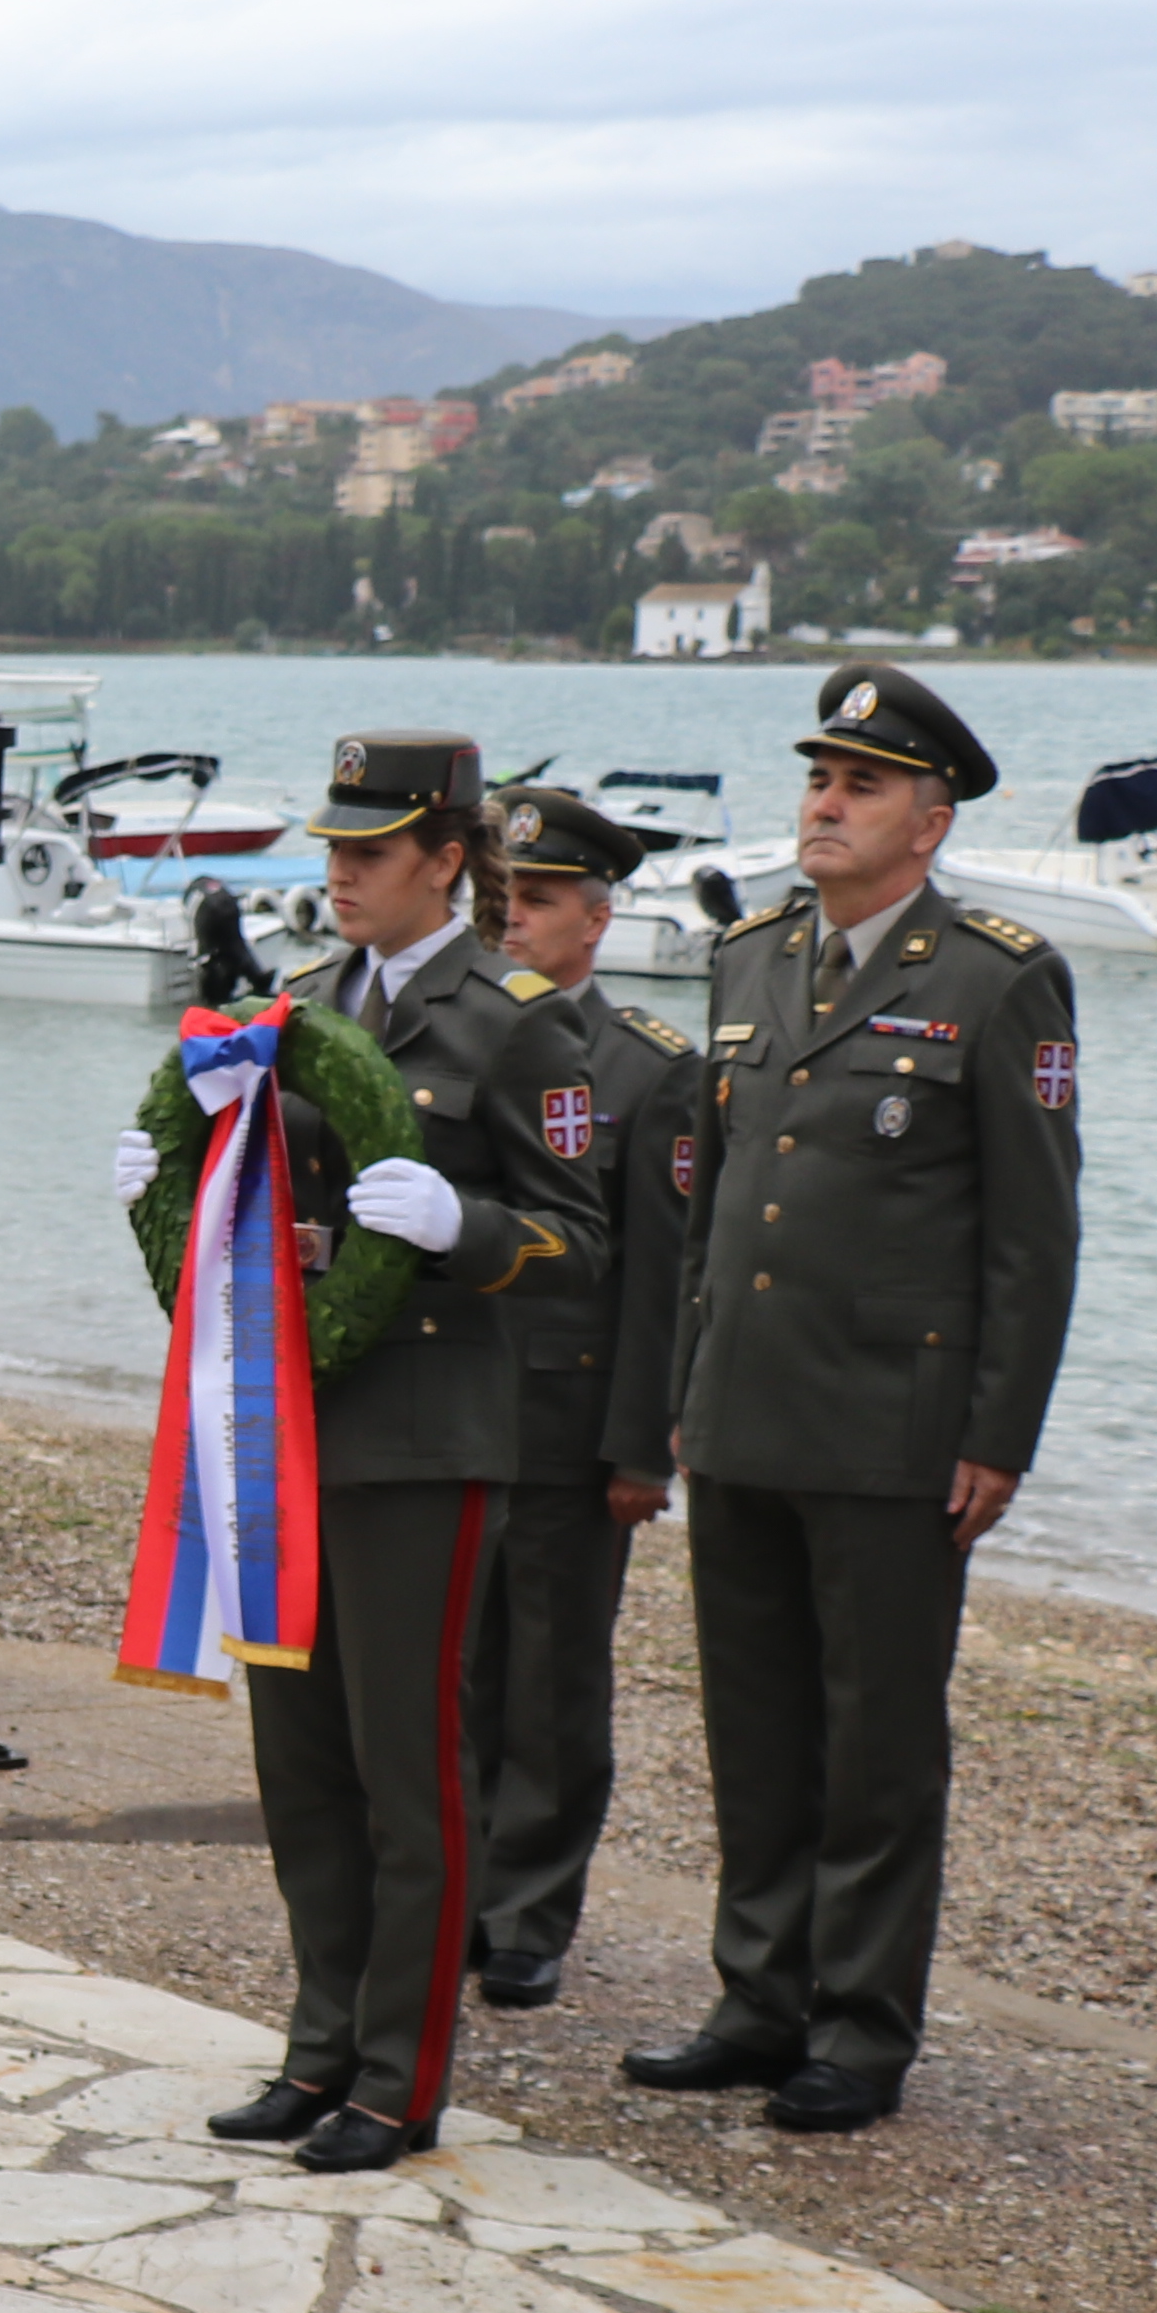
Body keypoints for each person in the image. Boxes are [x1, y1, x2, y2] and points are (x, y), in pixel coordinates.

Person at [110, 735, 602, 2170]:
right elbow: (261, 1204)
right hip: (285, 1430)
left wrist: (469, 1233)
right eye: (332, 847)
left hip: (428, 1440)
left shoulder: (513, 1019)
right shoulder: (303, 1006)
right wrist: (171, 1179)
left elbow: (588, 1243)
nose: (340, 873)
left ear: (447, 859)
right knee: (302, 1765)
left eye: (370, 851)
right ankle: (319, 2048)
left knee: (409, 1766)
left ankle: (401, 2075)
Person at [620, 661, 1080, 2137]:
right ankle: (760, 1998)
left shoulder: (997, 979)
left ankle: (863, 2027)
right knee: (756, 1728)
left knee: (876, 1744)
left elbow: (1033, 1234)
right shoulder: (751, 955)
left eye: (863, 786)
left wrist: (998, 1434)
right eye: (819, 779)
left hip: (895, 1425)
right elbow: (711, 1204)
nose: (825, 804)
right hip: (747, 1409)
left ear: (929, 822)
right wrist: (686, 1384)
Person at [472, 780, 714, 2008]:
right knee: (455, 1662)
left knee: (552, 1679)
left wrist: (640, 1449)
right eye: (505, 895)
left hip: (570, 1423)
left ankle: (528, 1909)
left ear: (598, 919)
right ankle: (453, 1882)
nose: (515, 918)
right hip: (455, 1404)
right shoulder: (460, 1028)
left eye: (543, 898)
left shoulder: (648, 1067)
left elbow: (661, 1271)